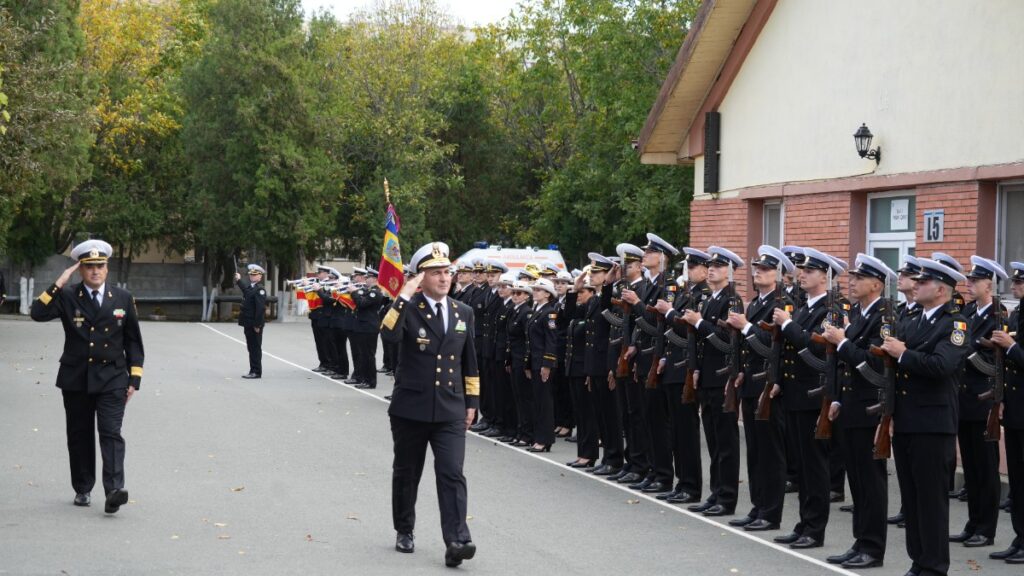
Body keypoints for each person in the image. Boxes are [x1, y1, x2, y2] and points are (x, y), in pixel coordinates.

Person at [381, 241, 479, 568]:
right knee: (408, 473)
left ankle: (457, 540)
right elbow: (389, 336)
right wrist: (404, 295)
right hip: (411, 408)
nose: (443, 278)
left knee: (452, 473)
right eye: (436, 273)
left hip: (450, 408)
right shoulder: (408, 308)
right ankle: (404, 529)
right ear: (420, 278)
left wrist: (472, 402)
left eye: (446, 272)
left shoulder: (463, 312)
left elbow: (471, 362)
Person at [30, 239, 144, 514]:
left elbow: (133, 342)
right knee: (80, 435)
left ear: (107, 268)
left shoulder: (122, 298)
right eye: (89, 266)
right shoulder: (68, 296)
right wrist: (59, 281)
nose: (95, 271)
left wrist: (134, 380)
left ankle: (114, 490)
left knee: (111, 432)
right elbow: (37, 313)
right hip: (76, 378)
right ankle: (82, 487)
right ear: (80, 269)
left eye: (100, 266)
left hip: (112, 377)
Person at [882, 257, 968, 576]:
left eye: (922, 282)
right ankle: (918, 561)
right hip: (907, 420)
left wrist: (903, 353)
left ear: (941, 289)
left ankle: (934, 567)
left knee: (931, 501)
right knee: (913, 498)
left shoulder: (955, 323)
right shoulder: (914, 319)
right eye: (915, 281)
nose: (915, 285)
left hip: (933, 425)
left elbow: (941, 366)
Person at [822, 253, 897, 569]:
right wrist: (838, 399)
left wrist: (841, 342)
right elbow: (848, 368)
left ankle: (873, 548)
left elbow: (876, 366)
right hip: (853, 407)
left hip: (870, 409)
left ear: (876, 284)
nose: (851, 282)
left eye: (858, 278)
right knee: (858, 482)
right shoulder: (861, 313)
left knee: (871, 482)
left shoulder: (884, 319)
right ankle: (860, 542)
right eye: (851, 277)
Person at [772, 247, 845, 549]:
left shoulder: (831, 311)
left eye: (810, 271)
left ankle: (815, 529)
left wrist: (788, 325)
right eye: (802, 270)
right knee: (802, 466)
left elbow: (817, 349)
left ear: (824, 277)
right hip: (795, 394)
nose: (802, 275)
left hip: (815, 395)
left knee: (815, 467)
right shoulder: (804, 307)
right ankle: (804, 523)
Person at [723, 245, 793, 531]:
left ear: (778, 274)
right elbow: (749, 351)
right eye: (756, 269)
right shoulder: (755, 303)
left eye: (764, 269)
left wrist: (747, 328)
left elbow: (772, 349)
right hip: (751, 383)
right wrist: (740, 370)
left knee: (771, 453)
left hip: (769, 385)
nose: (758, 273)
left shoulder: (782, 305)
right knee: (754, 451)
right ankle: (758, 506)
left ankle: (771, 512)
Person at [681, 245, 743, 517]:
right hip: (707, 376)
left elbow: (727, 343)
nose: (711, 270)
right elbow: (703, 342)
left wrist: (699, 324)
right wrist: (695, 368)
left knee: (726, 442)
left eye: (717, 267)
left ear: (728, 271)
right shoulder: (709, 300)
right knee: (714, 441)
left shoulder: (732, 301)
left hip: (722, 377)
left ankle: (726, 497)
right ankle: (716, 492)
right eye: (710, 266)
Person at [951, 256, 1008, 547]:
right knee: (972, 469)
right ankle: (973, 524)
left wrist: (970, 349)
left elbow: (994, 361)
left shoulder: (999, 315)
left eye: (975, 281)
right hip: (965, 398)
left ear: (989, 284)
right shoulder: (970, 312)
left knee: (986, 468)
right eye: (969, 280)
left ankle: (987, 529)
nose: (969, 285)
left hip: (984, 400)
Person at [655, 247, 711, 505]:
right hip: (673, 366)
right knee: (677, 431)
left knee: (687, 432)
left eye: (693, 267)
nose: (688, 272)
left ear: (704, 270)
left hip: (686, 368)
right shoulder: (688, 293)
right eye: (687, 267)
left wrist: (668, 312)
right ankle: (682, 482)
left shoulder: (703, 295)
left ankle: (691, 486)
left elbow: (688, 327)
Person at [989, 261, 1024, 564]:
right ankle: (1019, 537)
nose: (1014, 287)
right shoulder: (1019, 313)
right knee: (1017, 480)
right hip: (1015, 408)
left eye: (1019, 283)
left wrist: (1011, 346)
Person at [526, 278, 559, 452]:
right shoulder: (536, 311)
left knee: (544, 402)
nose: (535, 292)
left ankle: (545, 439)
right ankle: (539, 437)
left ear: (547, 293)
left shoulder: (550, 313)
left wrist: (547, 364)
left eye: (539, 290)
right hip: (535, 362)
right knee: (537, 401)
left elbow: (551, 340)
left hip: (543, 364)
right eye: (535, 289)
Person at [351, 267, 384, 389]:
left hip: (369, 327)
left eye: (368, 277)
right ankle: (364, 379)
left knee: (369, 355)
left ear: (374, 279)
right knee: (363, 354)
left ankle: (370, 381)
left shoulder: (375, 292)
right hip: (364, 326)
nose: (366, 279)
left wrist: (354, 292)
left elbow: (361, 303)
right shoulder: (369, 291)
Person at [235, 264, 267, 379]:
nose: (252, 277)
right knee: (251, 347)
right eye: (251, 275)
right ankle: (253, 369)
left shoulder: (260, 290)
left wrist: (257, 324)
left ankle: (256, 372)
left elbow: (260, 309)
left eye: (255, 275)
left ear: (260, 276)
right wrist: (239, 280)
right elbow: (246, 291)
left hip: (254, 324)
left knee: (255, 348)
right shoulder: (251, 287)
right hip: (248, 323)